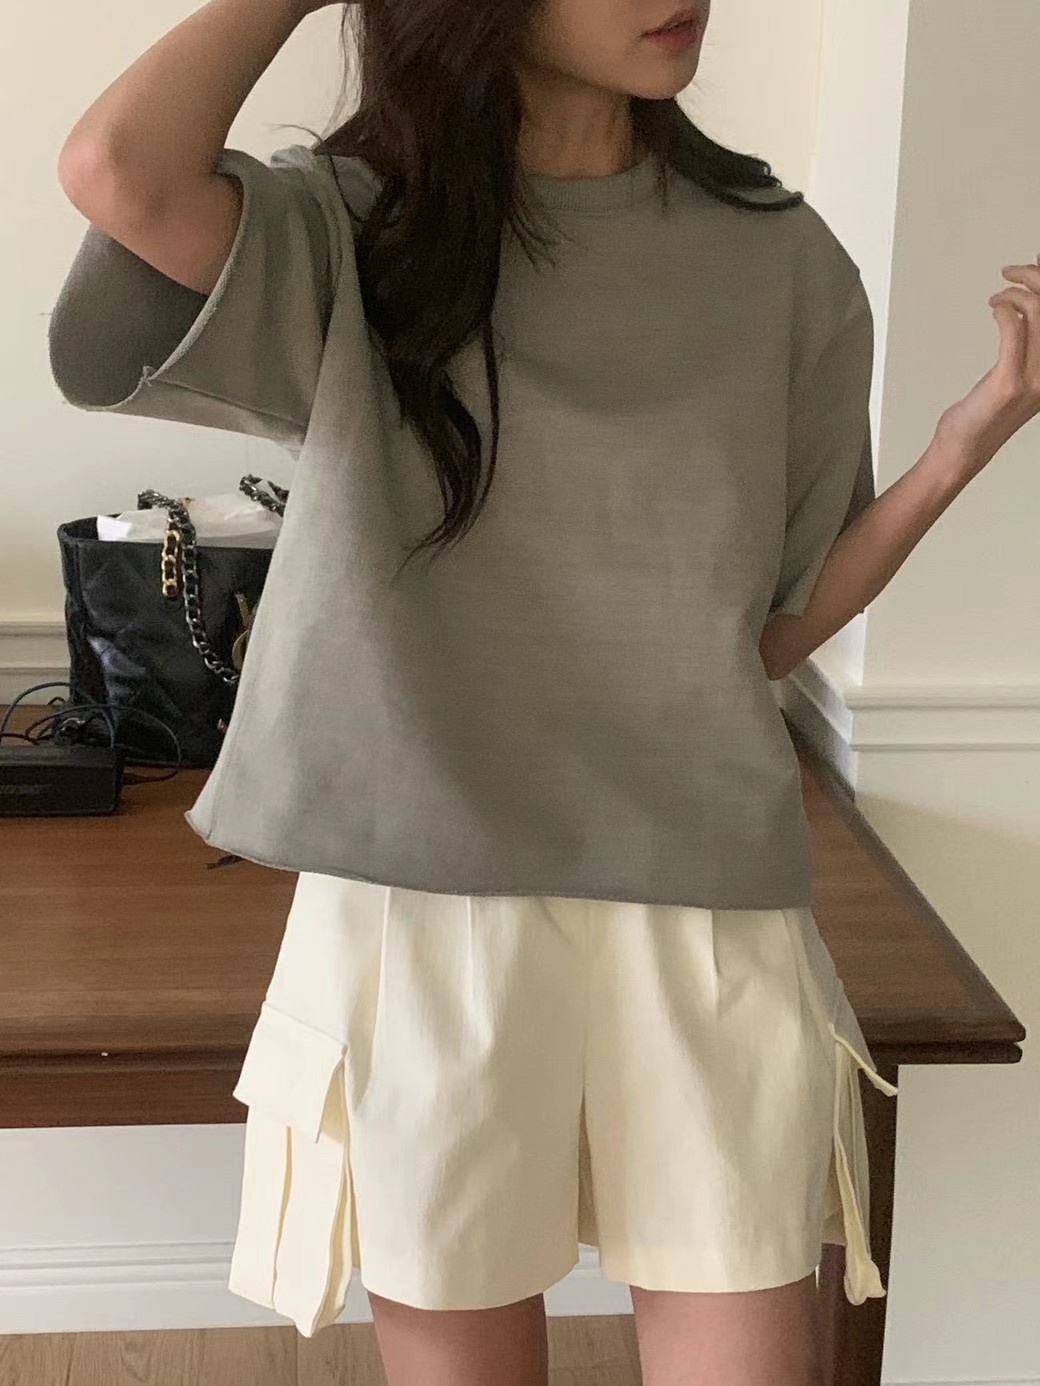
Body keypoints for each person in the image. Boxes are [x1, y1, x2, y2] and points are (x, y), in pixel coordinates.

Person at [48, 0, 1039, 1380]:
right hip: (420, 902)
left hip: (702, 898)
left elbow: (765, 632)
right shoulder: (358, 231)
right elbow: (118, 172)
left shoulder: (780, 257)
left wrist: (959, 448)